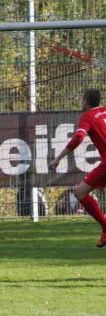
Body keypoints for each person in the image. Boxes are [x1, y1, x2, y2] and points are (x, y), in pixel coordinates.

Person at [50, 88, 106, 247]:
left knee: (80, 192)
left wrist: (58, 159)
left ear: (85, 102)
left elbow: (78, 138)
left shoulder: (87, 117)